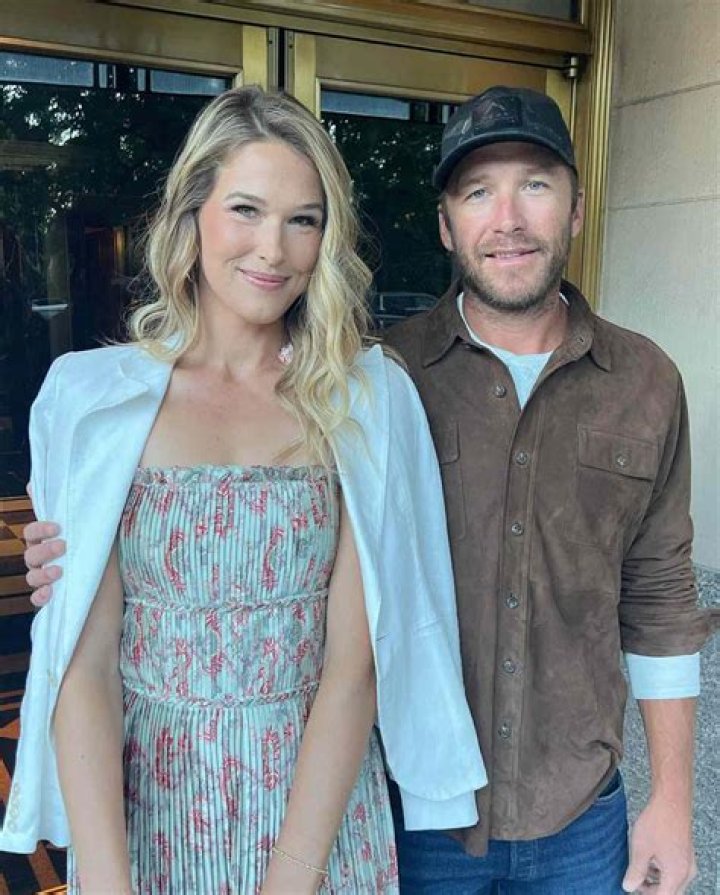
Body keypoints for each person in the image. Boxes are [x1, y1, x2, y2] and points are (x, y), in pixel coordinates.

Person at [1, 85, 487, 894]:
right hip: (142, 809)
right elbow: (85, 664)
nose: (274, 249)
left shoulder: (364, 400)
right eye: (246, 210)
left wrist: (290, 880)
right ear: (192, 214)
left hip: (315, 811)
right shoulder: (91, 402)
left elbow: (354, 665)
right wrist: (110, 882)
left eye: (304, 219)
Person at [382, 88, 710, 893]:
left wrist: (672, 799)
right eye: (478, 192)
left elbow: (661, 595)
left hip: (582, 815)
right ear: (446, 224)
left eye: (534, 184)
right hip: (418, 815)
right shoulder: (386, 376)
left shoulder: (645, 381)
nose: (508, 219)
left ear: (575, 209)